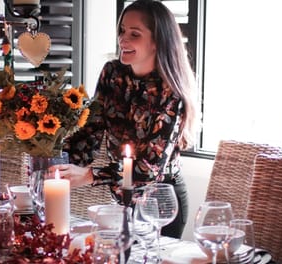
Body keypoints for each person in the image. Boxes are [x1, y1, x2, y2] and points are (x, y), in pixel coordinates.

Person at [53, 0, 197, 239]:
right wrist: (57, 161)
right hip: (121, 199)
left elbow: (148, 169)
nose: (123, 39)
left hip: (160, 203)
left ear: (157, 41)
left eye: (135, 34)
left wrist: (89, 175)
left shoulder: (170, 92)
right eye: (122, 31)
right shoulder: (112, 73)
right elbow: (92, 129)